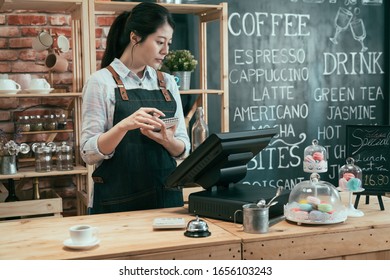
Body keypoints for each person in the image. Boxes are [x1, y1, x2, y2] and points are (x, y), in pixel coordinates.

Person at [80, 2, 190, 215]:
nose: (166, 51)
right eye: (160, 42)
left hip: (166, 202)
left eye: (169, 43)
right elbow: (88, 153)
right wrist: (123, 126)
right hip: (117, 203)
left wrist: (168, 141)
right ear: (135, 37)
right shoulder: (100, 82)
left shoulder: (167, 83)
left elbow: (184, 149)